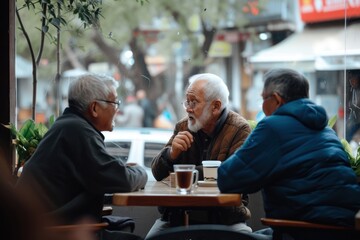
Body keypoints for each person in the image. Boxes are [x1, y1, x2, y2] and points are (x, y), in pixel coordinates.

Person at [217, 68, 360, 240]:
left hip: (304, 230)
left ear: (277, 99)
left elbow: (228, 179)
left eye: (263, 98)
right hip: (344, 229)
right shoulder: (325, 129)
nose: (262, 105)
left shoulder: (272, 127)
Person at [16, 73, 148, 240]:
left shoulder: (68, 125)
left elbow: (99, 176)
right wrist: (140, 171)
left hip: (48, 227)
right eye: (115, 102)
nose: (117, 108)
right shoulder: (78, 131)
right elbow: (123, 180)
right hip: (55, 232)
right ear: (94, 108)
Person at [147, 73, 252, 239]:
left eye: (193, 102)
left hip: (225, 219)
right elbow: (157, 173)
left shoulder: (239, 129)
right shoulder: (183, 126)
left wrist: (183, 174)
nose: (188, 108)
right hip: (178, 218)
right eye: (187, 101)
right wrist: (171, 155)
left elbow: (234, 175)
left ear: (215, 106)